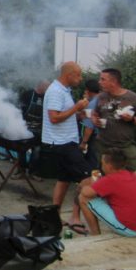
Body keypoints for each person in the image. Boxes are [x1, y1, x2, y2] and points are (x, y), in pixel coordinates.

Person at [41, 61, 91, 232]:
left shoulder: (64, 90)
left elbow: (62, 115)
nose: (81, 78)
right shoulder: (56, 91)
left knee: (64, 179)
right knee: (87, 179)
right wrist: (76, 107)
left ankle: (54, 217)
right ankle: (75, 217)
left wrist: (78, 115)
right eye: (78, 75)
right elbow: (54, 118)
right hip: (62, 143)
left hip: (65, 141)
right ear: (68, 75)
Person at [77, 149, 136, 236]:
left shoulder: (110, 179)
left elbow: (86, 193)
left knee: (83, 198)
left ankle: (95, 234)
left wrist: (85, 185)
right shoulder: (131, 175)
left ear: (109, 166)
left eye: (102, 163)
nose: (101, 166)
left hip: (130, 229)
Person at [92, 68, 136, 171]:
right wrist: (94, 120)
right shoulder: (101, 97)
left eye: (103, 79)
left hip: (125, 145)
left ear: (113, 82)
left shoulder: (132, 97)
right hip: (104, 145)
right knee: (103, 175)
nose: (99, 82)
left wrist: (132, 119)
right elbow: (94, 113)